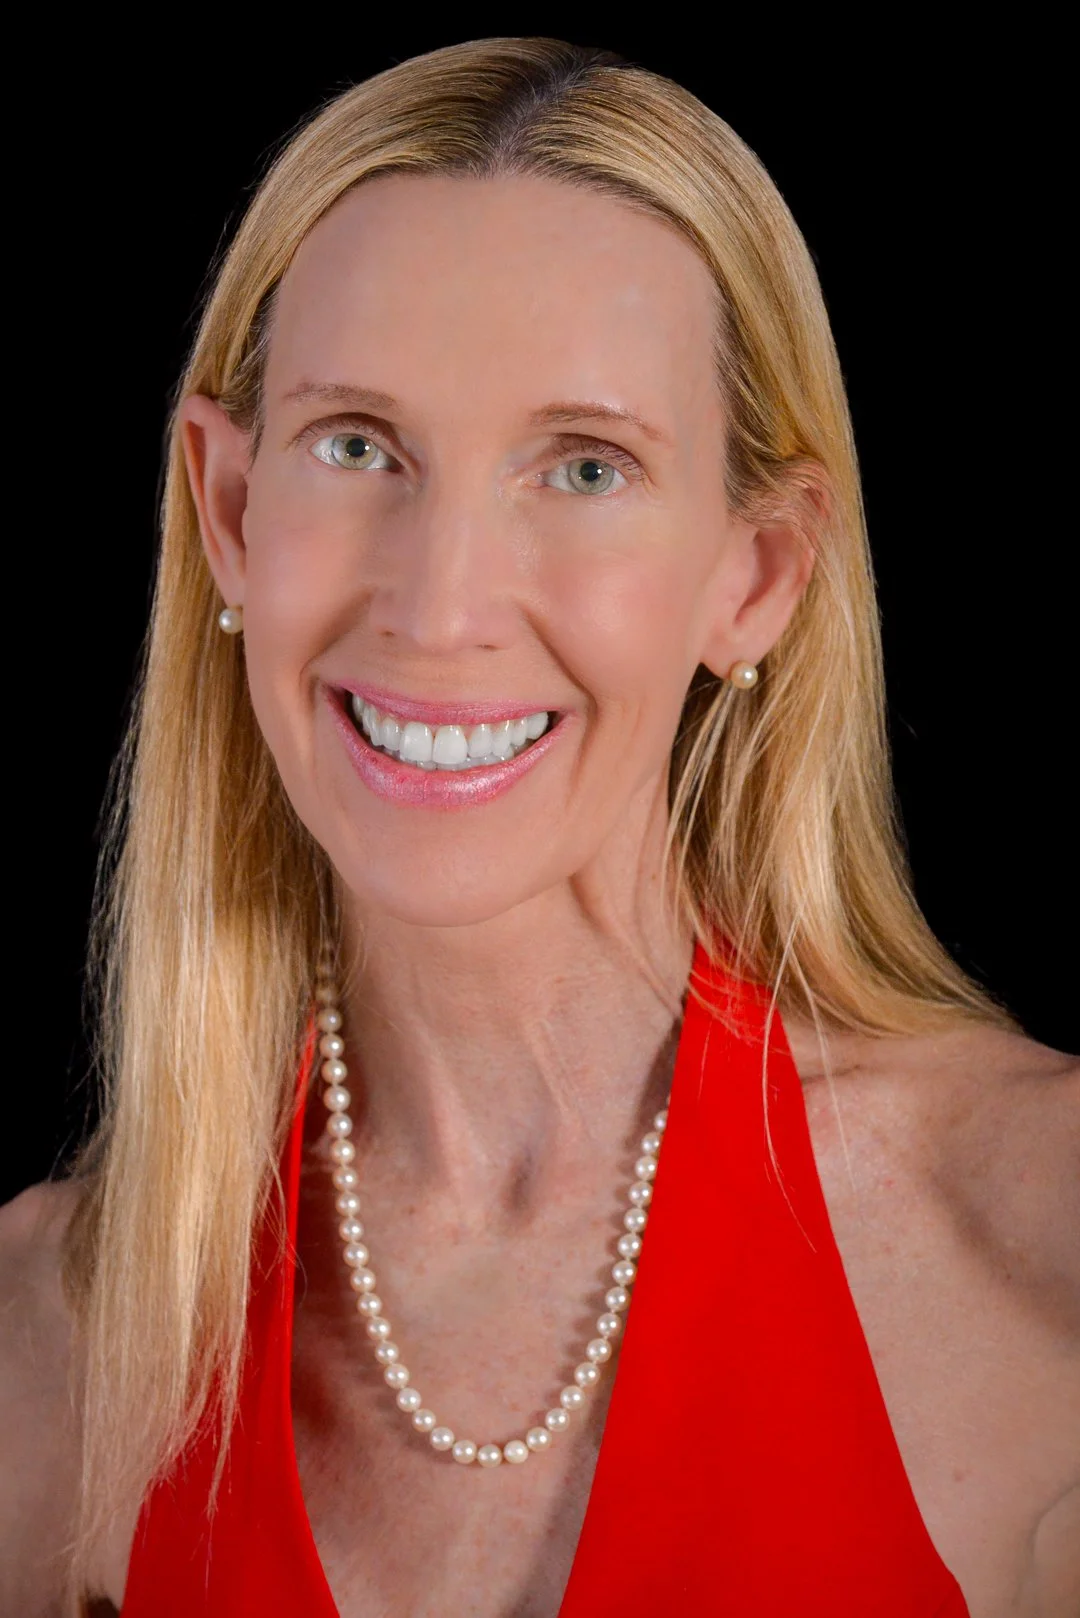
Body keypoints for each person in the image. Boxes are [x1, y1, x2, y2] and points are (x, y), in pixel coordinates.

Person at [2, 36, 1076, 1618]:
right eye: (358, 444)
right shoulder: (49, 1334)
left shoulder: (1038, 1225)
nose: (439, 609)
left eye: (584, 466)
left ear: (756, 573)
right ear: (229, 513)